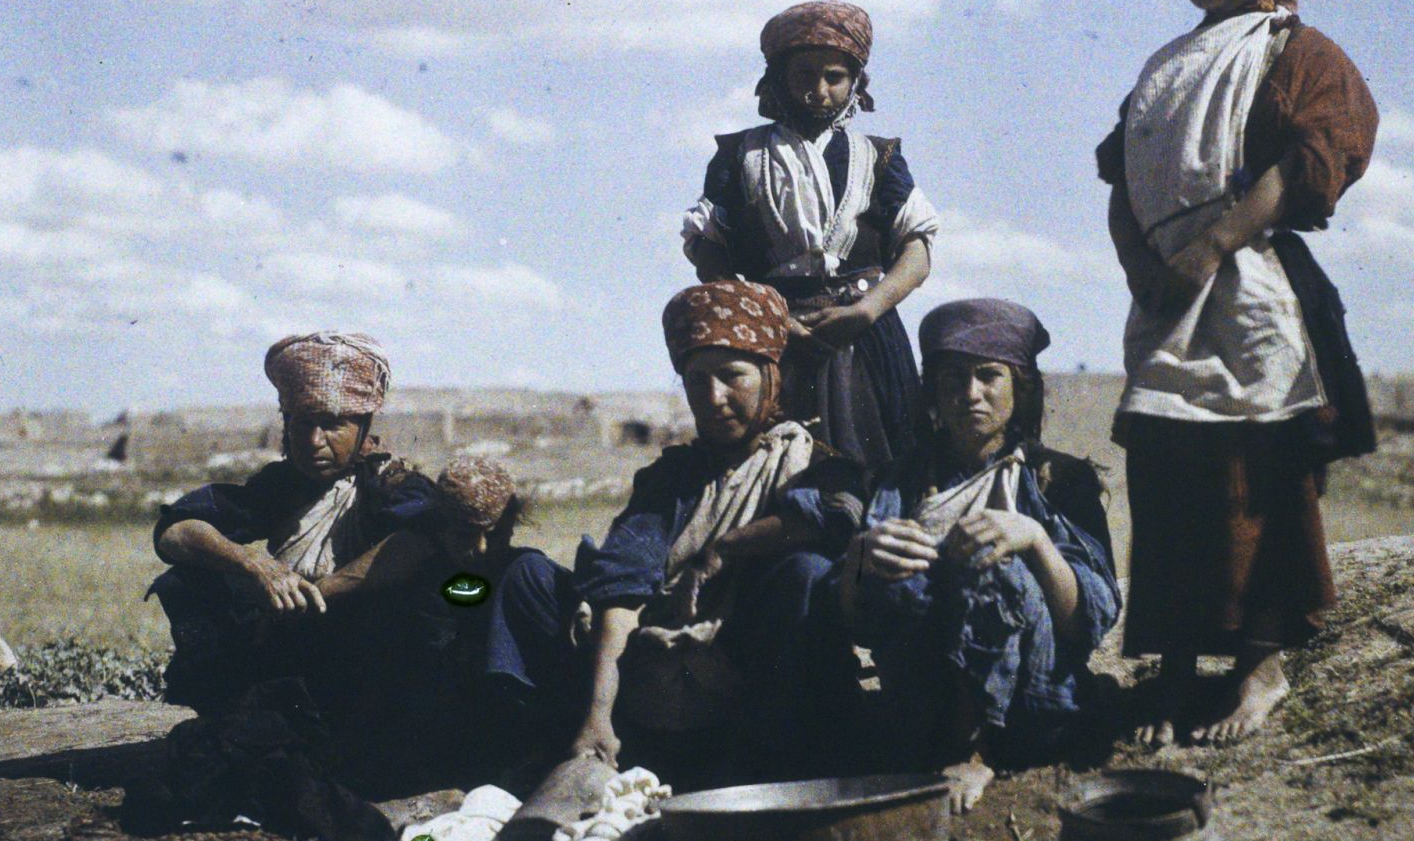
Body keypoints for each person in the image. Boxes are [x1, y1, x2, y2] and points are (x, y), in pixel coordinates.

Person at [1098, 0, 1379, 746]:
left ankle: (1261, 667)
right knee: (1171, 476)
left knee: (1252, 475)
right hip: (1165, 292)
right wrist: (1145, 267)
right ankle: (1178, 671)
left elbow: (1310, 159)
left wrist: (1215, 245)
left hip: (1249, 284)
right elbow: (1120, 176)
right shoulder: (1167, 66)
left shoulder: (1295, 52)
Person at [139, 331, 438, 841]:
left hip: (367, 666)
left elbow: (422, 542)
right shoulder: (279, 487)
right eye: (302, 424)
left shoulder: (394, 489)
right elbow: (174, 530)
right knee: (189, 580)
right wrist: (253, 564)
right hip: (291, 653)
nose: (314, 441)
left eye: (332, 425)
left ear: (365, 426)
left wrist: (321, 591)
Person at [569, 281, 870, 785]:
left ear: (772, 376)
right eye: (696, 381)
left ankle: (773, 761)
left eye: (732, 376)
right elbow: (622, 582)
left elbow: (838, 515)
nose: (713, 398)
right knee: (532, 579)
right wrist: (597, 715)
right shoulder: (672, 480)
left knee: (806, 572)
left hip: (770, 690)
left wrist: (726, 549)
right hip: (665, 682)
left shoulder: (815, 464)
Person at [839, 299, 1121, 813]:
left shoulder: (1058, 480)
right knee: (899, 565)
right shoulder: (902, 483)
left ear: (1021, 385)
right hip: (922, 711)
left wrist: (1034, 539)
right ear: (932, 391)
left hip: (1035, 700)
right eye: (952, 379)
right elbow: (863, 623)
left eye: (988, 376)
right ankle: (944, 741)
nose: (970, 394)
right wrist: (860, 556)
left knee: (995, 565)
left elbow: (1088, 624)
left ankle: (977, 750)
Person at [681, 0, 941, 472]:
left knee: (882, 470)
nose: (819, 91)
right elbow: (707, 246)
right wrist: (764, 316)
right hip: (776, 342)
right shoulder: (739, 155)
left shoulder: (878, 158)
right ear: (779, 78)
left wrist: (866, 311)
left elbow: (917, 249)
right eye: (804, 75)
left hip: (868, 338)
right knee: (776, 473)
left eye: (834, 77)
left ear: (855, 83)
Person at [385, 454, 589, 785]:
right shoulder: (427, 577)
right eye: (465, 535)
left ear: (511, 524)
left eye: (492, 535)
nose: (480, 549)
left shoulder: (529, 574)